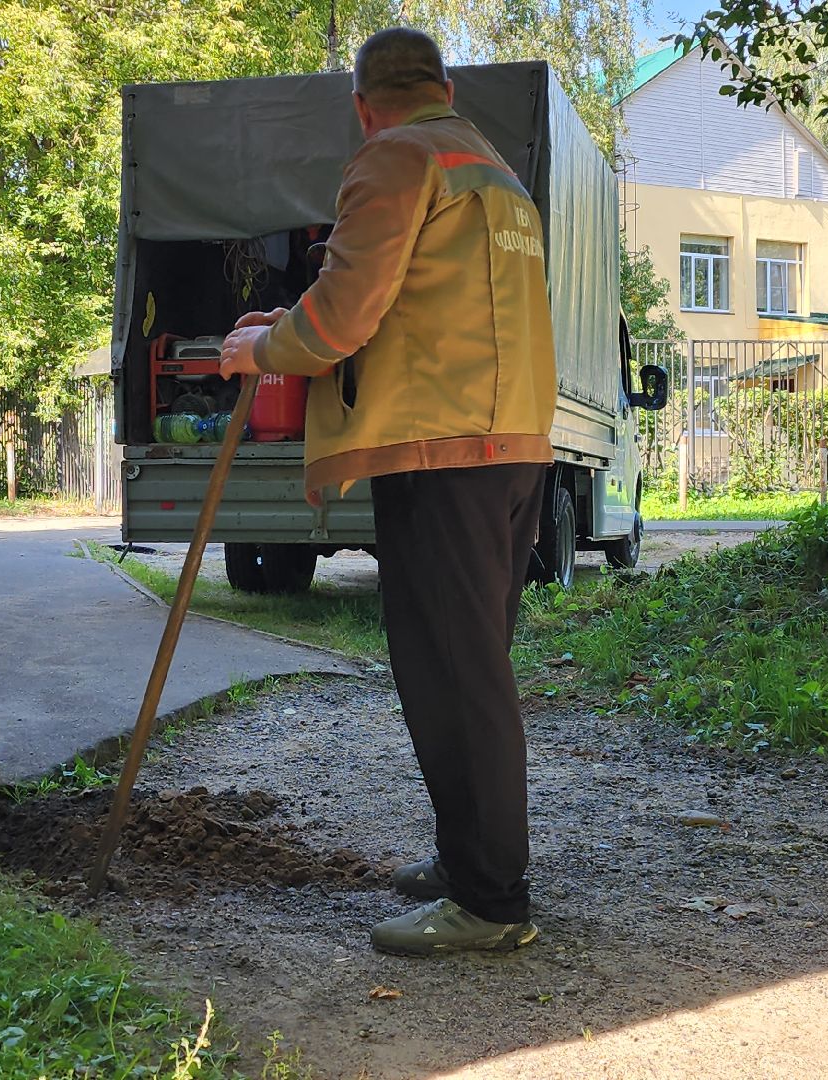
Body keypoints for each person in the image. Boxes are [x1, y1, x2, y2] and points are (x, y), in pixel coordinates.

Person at [220, 27, 556, 955]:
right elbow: (416, 301)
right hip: (510, 443)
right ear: (447, 88)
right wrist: (290, 323)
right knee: (472, 667)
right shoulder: (492, 171)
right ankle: (468, 861)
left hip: (440, 450)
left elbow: (344, 316)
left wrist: (262, 347)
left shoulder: (396, 158)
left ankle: (490, 902)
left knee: (453, 680)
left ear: (362, 106)